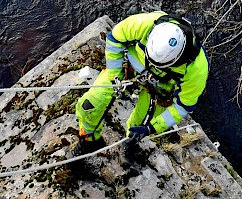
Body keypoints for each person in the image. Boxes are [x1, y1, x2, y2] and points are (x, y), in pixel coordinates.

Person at [71, 11, 210, 164]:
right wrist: (115, 77)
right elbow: (115, 38)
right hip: (130, 65)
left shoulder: (197, 69)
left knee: (139, 126)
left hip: (160, 89)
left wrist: (152, 128)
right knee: (89, 105)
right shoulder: (146, 23)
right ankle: (89, 141)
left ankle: (129, 143)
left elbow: (182, 106)